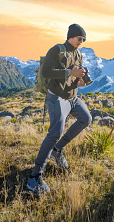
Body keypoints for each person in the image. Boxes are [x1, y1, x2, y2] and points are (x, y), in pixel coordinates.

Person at [27, 24, 92, 195]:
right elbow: (47, 72)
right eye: (80, 38)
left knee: (86, 119)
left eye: (84, 39)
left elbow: (74, 76)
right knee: (55, 132)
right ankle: (35, 176)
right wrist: (70, 72)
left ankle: (57, 150)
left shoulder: (78, 54)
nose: (82, 42)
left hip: (73, 97)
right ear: (72, 36)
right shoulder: (57, 50)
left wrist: (80, 81)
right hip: (57, 97)